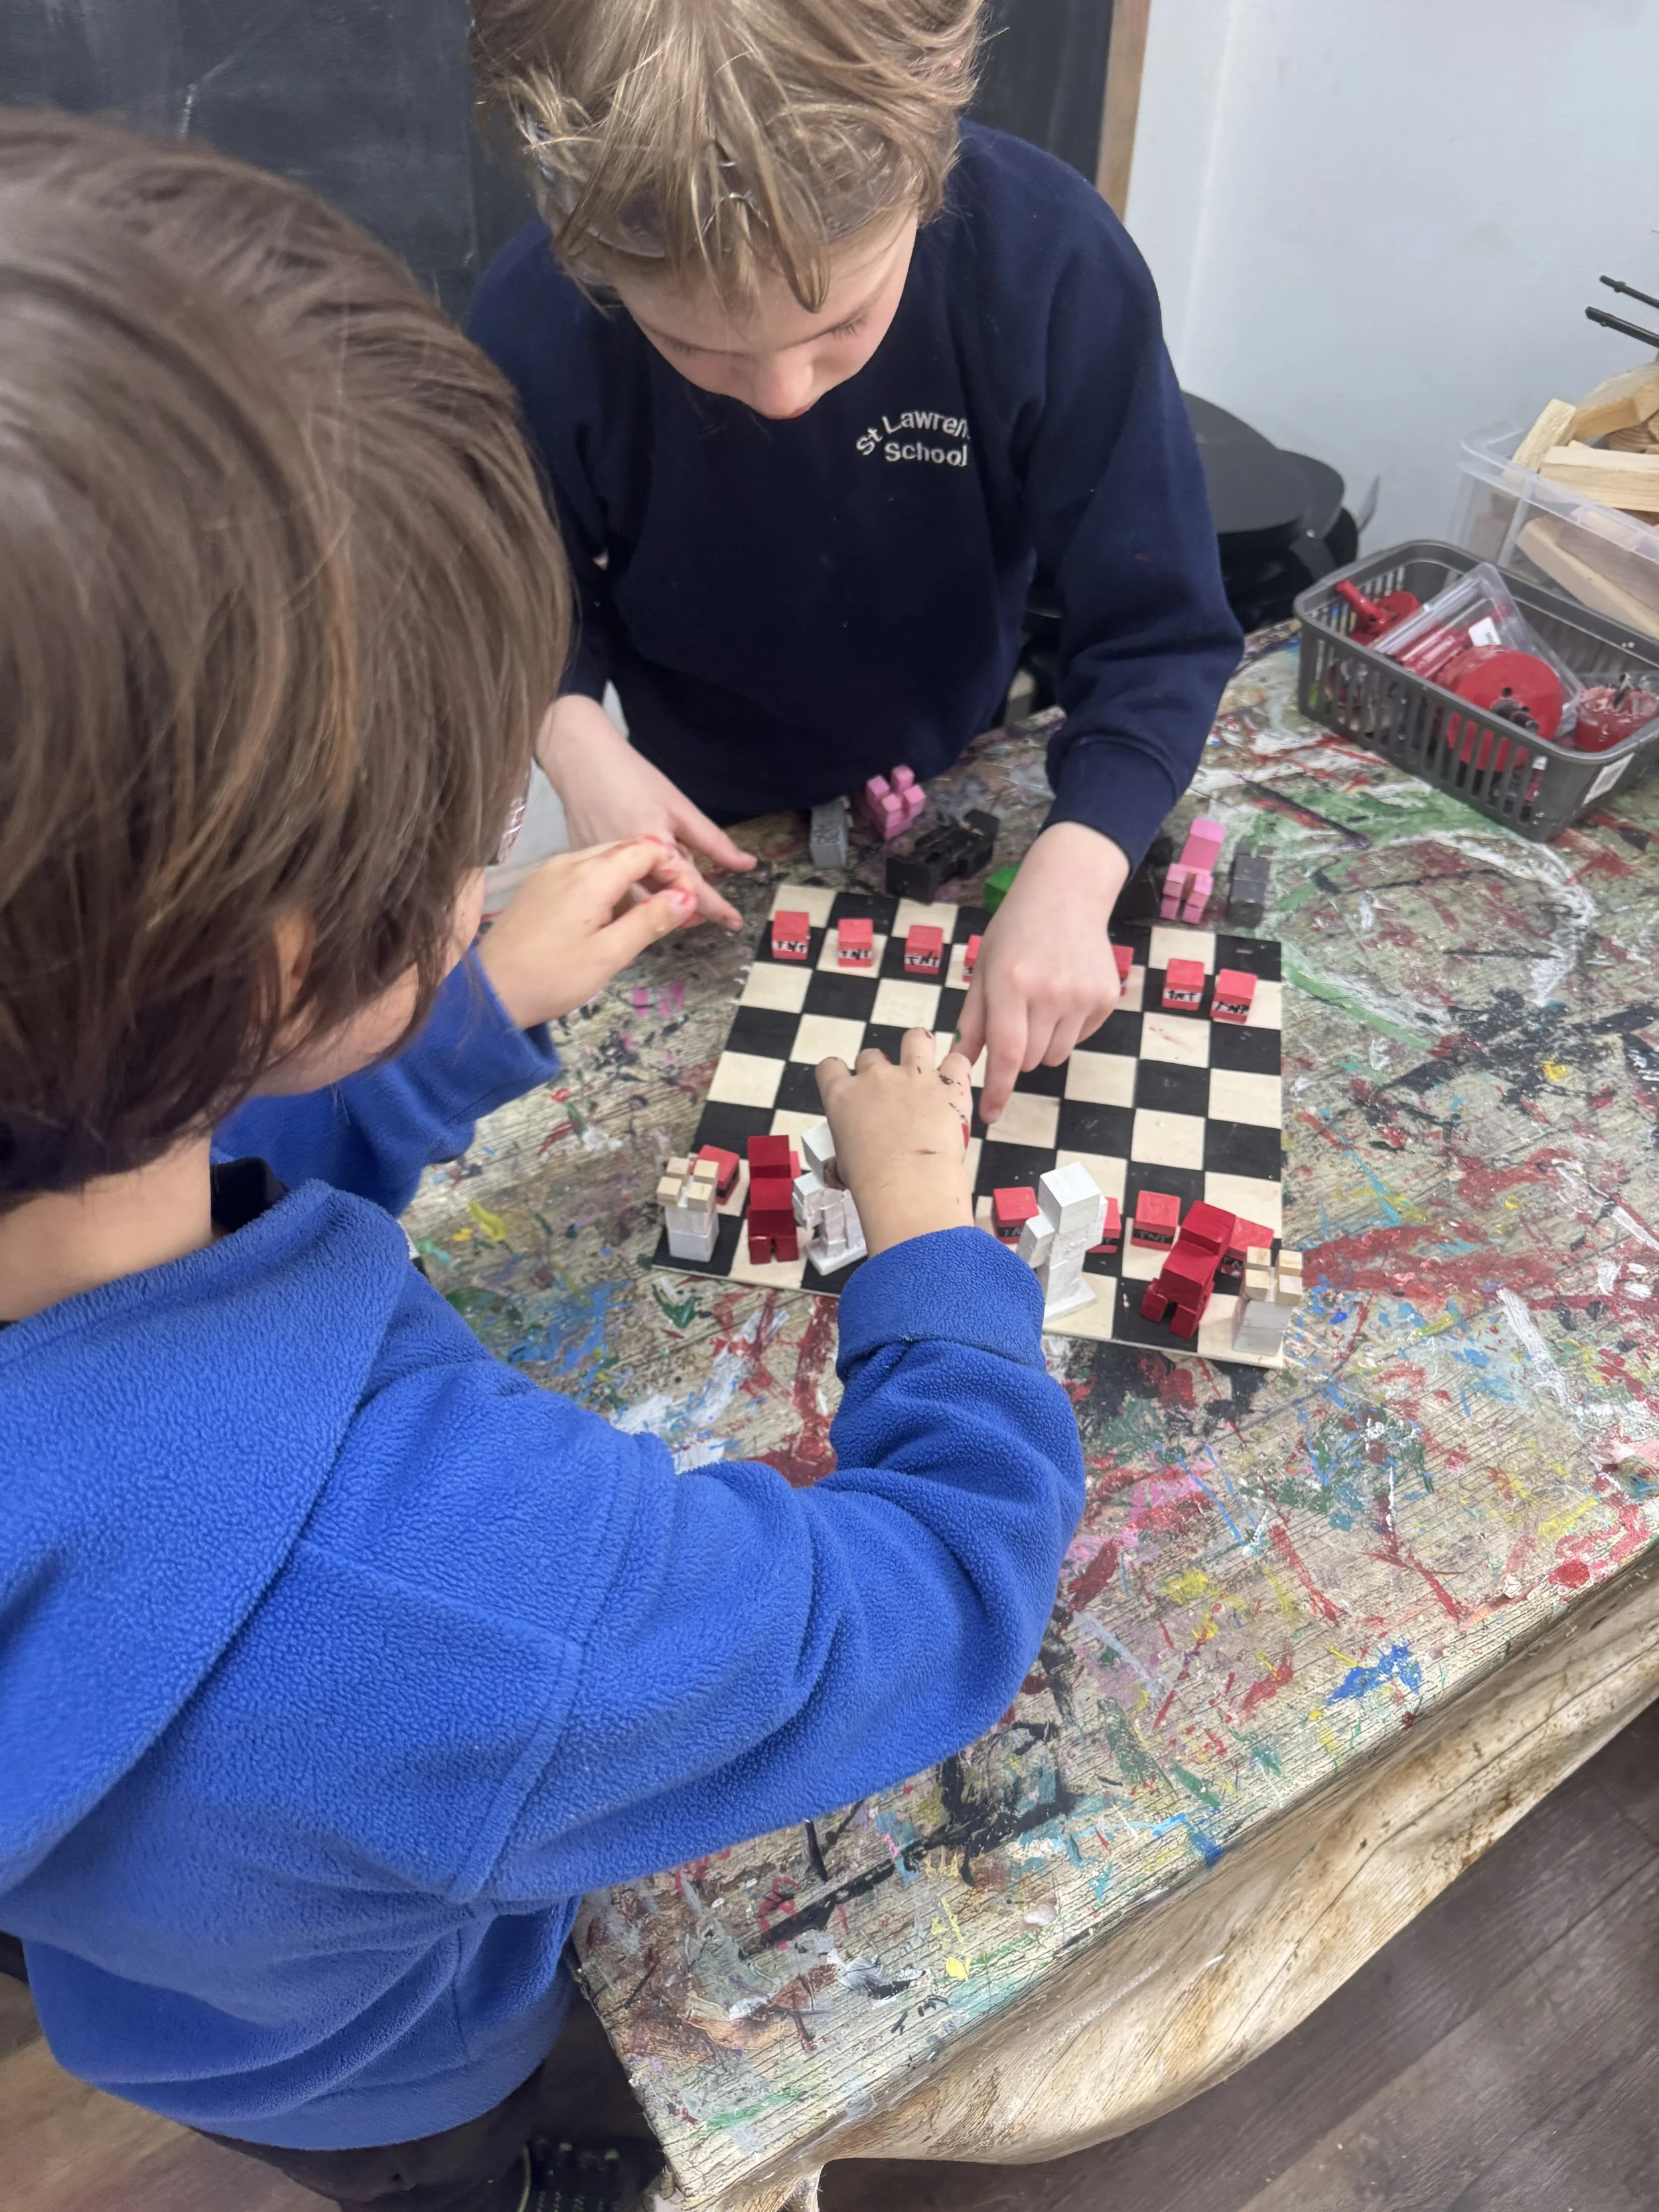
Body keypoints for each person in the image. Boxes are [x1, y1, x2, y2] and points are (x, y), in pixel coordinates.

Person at [0, 111, 1087, 2212]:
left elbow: (138, 1198)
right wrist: (931, 1244)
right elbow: (936, 1598)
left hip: (168, 1994)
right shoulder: (437, 1588)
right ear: (300, 957)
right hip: (411, 2073)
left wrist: (436, 1039)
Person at [465, 0, 1242, 1127]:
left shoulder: (1047, 258)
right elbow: (515, 586)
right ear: (595, 265)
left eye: (842, 323)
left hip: (967, 759)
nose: (784, 397)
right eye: (693, 347)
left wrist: (1079, 869)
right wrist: (574, 736)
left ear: (927, 189)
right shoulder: (537, 320)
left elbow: (1161, 625)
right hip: (704, 795)